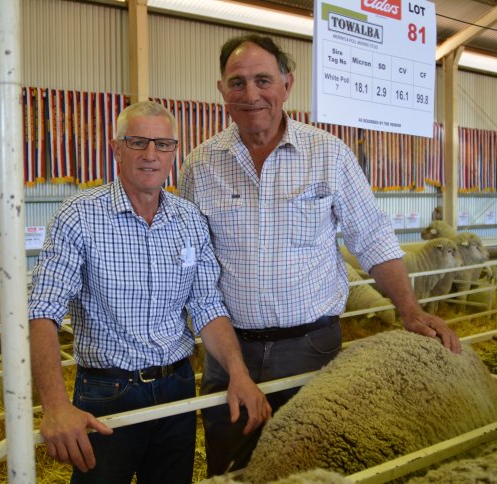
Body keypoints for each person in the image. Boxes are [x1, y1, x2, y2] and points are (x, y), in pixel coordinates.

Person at [178, 33, 462, 476]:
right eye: (237, 82)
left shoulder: (328, 154)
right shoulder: (199, 165)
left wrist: (409, 310)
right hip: (230, 352)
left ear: (287, 85)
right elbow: (192, 262)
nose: (251, 94)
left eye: (263, 80)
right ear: (221, 90)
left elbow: (371, 237)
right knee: (230, 464)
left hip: (311, 347)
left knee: (314, 462)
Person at [28, 101, 271, 484]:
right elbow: (44, 310)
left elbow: (207, 305)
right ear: (116, 148)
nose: (150, 155)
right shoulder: (79, 215)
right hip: (108, 391)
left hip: (177, 387)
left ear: (175, 151)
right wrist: (55, 406)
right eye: (138, 142)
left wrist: (238, 373)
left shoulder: (189, 219)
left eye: (162, 144)